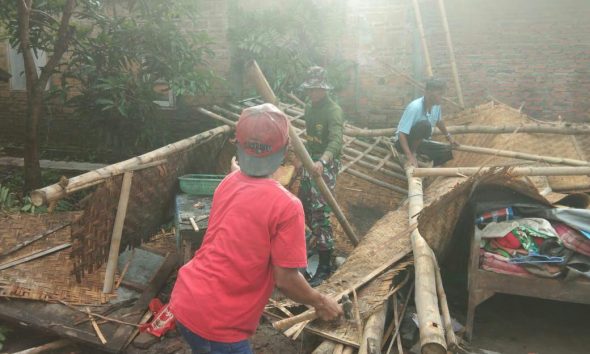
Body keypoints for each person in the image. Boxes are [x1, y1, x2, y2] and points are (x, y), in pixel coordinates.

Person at [170, 103, 342, 354]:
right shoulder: (287, 206)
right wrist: (321, 301)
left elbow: (245, 183)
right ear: (284, 150)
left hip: (186, 300)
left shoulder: (228, 182)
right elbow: (286, 280)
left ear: (238, 144)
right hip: (222, 323)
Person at [298, 66, 344, 287]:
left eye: (317, 89)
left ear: (324, 89)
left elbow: (336, 141)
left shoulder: (333, 111)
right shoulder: (309, 108)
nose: (313, 93)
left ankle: (325, 265)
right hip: (310, 162)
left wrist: (322, 161)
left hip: (326, 165)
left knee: (320, 212)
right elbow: (309, 139)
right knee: (301, 205)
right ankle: (311, 248)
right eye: (311, 89)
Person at [394, 78, 458, 167]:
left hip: (420, 142)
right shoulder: (414, 107)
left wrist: (448, 136)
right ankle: (413, 154)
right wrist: (410, 155)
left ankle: (430, 173)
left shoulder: (436, 106)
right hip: (403, 144)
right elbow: (401, 133)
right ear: (429, 92)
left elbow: (439, 121)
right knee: (425, 125)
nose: (442, 97)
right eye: (440, 94)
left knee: (447, 151)